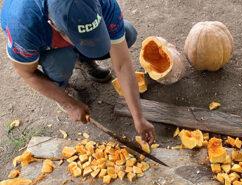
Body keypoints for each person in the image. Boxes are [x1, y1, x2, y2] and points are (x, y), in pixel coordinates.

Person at [1, 0, 155, 143]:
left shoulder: (103, 3)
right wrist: (69, 104)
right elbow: (27, 73)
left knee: (127, 32)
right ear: (54, 26)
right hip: (45, 44)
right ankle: (62, 84)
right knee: (61, 64)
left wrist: (138, 117)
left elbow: (122, 64)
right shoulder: (22, 25)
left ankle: (84, 59)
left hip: (62, 34)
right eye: (83, 42)